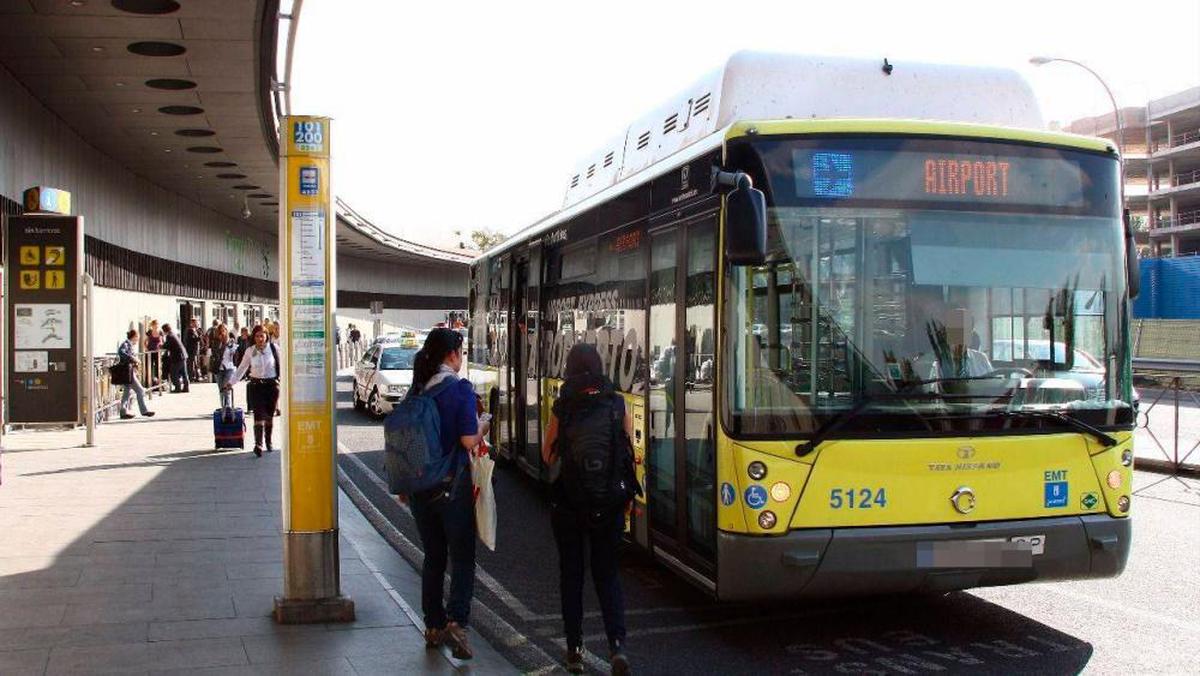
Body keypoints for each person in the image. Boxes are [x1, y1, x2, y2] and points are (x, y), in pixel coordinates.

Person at [542, 343, 636, 675]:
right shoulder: (617, 402)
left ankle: (574, 650)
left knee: (572, 574)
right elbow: (628, 453)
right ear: (599, 366)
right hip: (608, 503)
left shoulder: (563, 403)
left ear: (569, 366)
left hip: (568, 503)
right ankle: (617, 646)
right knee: (607, 574)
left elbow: (546, 454)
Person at [404, 328, 487, 660]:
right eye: (461, 352)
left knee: (434, 557)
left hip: (420, 489)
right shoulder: (459, 389)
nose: (462, 358)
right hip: (451, 487)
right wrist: (485, 425)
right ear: (452, 355)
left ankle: (433, 626)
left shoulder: (417, 389)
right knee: (463, 557)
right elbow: (469, 440)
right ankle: (457, 621)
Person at [228, 325, 280, 457]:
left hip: (272, 385)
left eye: (262, 335)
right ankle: (258, 444)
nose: (260, 339)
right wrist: (231, 382)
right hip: (256, 386)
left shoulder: (274, 349)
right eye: (257, 336)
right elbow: (242, 368)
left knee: (269, 415)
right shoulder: (250, 351)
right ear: (254, 337)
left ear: (266, 336)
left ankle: (268, 441)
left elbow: (283, 366)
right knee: (258, 414)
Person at [117, 329, 155, 419]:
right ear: (134, 337)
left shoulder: (128, 344)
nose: (138, 340)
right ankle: (144, 411)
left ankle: (123, 411)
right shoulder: (126, 344)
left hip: (129, 370)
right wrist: (133, 358)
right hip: (127, 370)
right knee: (140, 390)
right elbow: (121, 352)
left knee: (127, 391)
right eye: (137, 338)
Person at [211, 324, 238, 409]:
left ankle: (228, 406)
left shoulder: (231, 341)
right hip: (218, 368)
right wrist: (220, 344)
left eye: (223, 331)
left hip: (229, 368)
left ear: (226, 331)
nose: (222, 333)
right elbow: (215, 353)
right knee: (221, 389)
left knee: (226, 388)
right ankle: (223, 407)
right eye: (220, 331)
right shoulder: (215, 342)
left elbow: (234, 352)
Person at [162, 323, 190, 393]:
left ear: (164, 330)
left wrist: (161, 345)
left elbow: (167, 345)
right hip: (183, 355)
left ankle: (177, 387)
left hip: (177, 357)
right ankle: (186, 387)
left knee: (173, 372)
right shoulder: (174, 334)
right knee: (184, 373)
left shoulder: (169, 336)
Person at [145, 320, 163, 386]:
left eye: (157, 324)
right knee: (149, 367)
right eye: (154, 325)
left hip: (157, 352)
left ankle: (158, 384)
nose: (156, 326)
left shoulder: (160, 332)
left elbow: (161, 341)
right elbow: (145, 341)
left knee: (158, 367)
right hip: (150, 351)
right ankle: (149, 383)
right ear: (152, 325)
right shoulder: (149, 332)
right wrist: (146, 348)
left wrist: (160, 346)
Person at [184, 318, 202, 382]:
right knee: (192, 363)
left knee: (195, 363)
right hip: (191, 350)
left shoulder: (195, 330)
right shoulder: (189, 330)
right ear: (192, 323)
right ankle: (192, 377)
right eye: (195, 323)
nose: (197, 324)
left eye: (197, 323)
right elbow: (192, 340)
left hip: (195, 350)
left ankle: (196, 376)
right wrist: (199, 337)